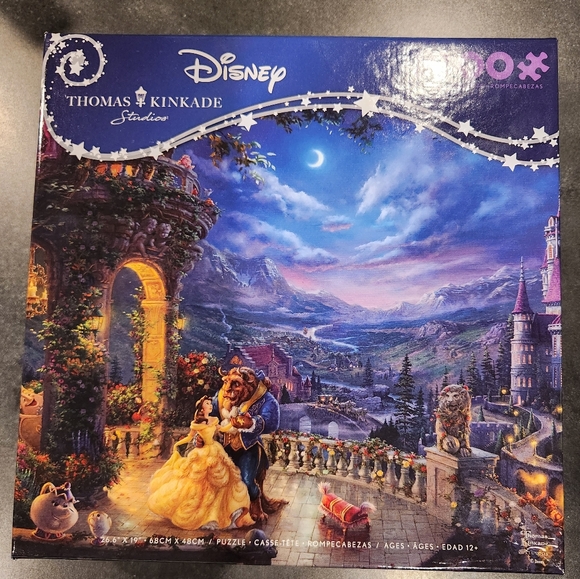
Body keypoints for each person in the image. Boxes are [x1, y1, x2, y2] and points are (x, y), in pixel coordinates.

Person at [147, 396, 254, 530]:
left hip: (215, 451)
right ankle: (204, 515)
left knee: (224, 482)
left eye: (210, 403)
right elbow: (190, 437)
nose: (210, 405)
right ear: (202, 408)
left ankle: (220, 513)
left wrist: (235, 423)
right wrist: (177, 444)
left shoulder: (214, 420)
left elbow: (223, 429)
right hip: (202, 454)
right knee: (198, 484)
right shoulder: (196, 424)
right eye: (207, 403)